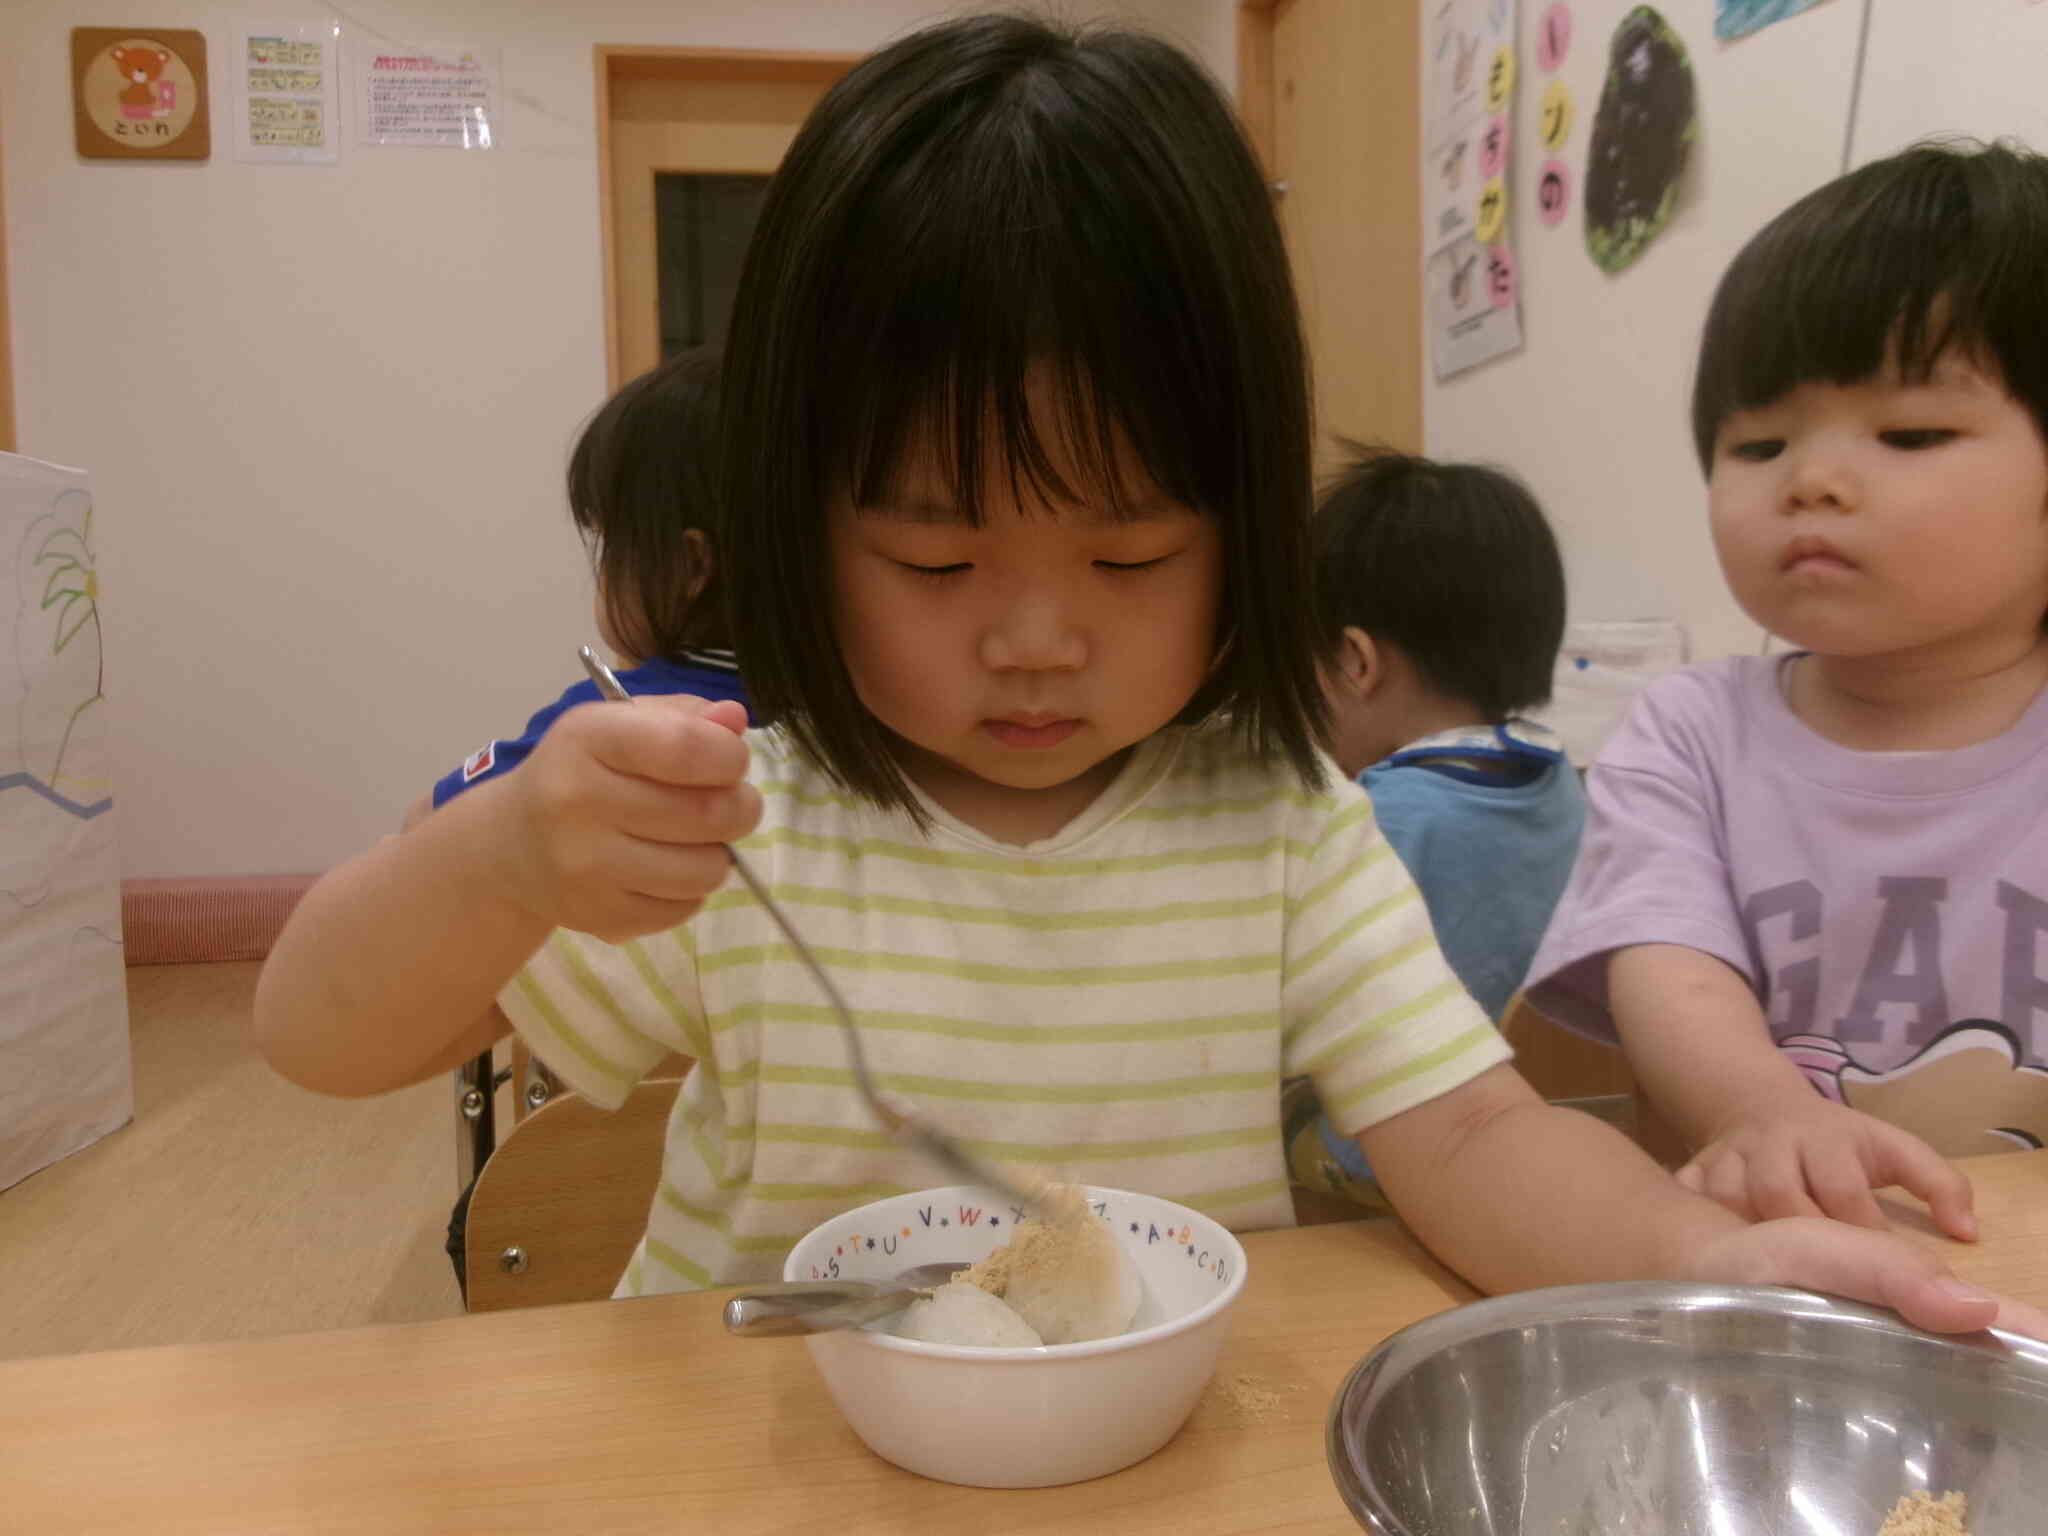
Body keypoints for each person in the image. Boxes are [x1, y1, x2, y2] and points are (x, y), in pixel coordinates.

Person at [253, 20, 2039, 1339]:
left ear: (1249, 530)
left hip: (1166, 1458)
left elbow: (1479, 1138)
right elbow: (319, 1043)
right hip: (759, 1459)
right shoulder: (748, 824)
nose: (1035, 637)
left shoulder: (1277, 826)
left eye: (1127, 558)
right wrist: (489, 857)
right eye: (937, 562)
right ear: (797, 527)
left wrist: (1693, 1253)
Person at [1524, 139, 2048, 1243]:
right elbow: (1664, 960)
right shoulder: (1692, 731)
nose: (1808, 479)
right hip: (1763, 1269)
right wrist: (1761, 1113)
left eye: (1908, 432)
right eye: (1755, 443)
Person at [1286, 450, 1585, 1204]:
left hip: (1390, 1160)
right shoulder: (1560, 784)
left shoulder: (1372, 821)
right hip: (1552, 1128)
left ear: (1355, 663)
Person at [417, 344, 750, 825]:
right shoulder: (850, 737)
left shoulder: (602, 723)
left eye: (610, 541)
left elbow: (428, 823)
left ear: (690, 567)